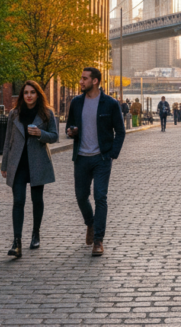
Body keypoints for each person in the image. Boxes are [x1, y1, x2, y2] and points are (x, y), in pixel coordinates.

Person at [65, 67, 127, 256]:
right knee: (81, 197)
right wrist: (71, 131)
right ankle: (90, 223)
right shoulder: (76, 102)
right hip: (81, 158)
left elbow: (120, 131)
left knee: (100, 197)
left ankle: (98, 240)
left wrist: (111, 154)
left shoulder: (110, 103)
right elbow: (69, 126)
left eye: (84, 79)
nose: (81, 82)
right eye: (81, 78)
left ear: (95, 81)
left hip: (101, 159)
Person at [0, 80, 59, 258]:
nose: (29, 95)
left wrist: (41, 134)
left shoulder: (47, 113)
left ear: (38, 94)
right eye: (26, 92)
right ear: (22, 95)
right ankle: (17, 242)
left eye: (32, 92)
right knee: (18, 201)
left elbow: (55, 137)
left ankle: (36, 233)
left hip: (37, 163)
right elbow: (7, 141)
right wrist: (4, 165)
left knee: (36, 200)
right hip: (18, 164)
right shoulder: (14, 114)